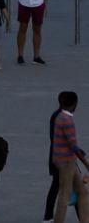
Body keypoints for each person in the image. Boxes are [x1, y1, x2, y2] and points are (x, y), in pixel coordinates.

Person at [49, 91, 87, 223]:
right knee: (64, 197)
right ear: (74, 104)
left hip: (63, 160)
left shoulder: (59, 116)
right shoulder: (67, 120)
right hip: (66, 163)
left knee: (82, 191)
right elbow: (73, 145)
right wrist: (86, 163)